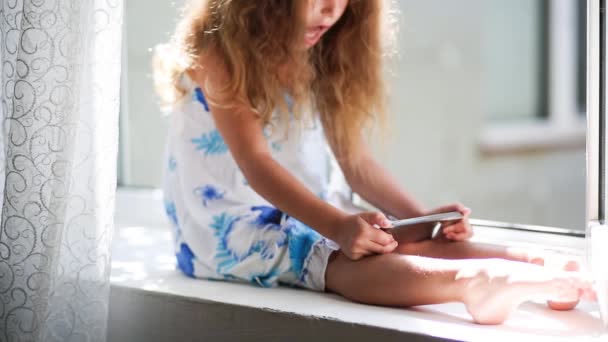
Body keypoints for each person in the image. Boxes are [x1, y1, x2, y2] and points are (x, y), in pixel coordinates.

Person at [153, 0, 593, 325]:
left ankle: (533, 266)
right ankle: (472, 281)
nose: (330, 11)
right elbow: (256, 163)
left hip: (308, 211)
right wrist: (337, 226)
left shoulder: (317, 53)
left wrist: (421, 216)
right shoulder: (219, 53)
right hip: (226, 226)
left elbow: (356, 164)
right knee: (333, 255)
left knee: (386, 238)